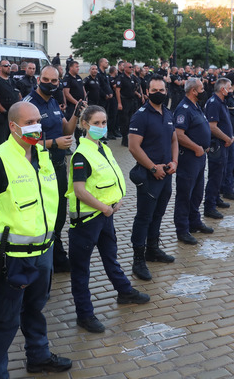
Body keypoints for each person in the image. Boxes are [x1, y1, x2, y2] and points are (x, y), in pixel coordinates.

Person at [0, 102, 73, 378]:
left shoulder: (42, 155)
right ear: (13, 126)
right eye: (29, 122)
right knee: (4, 320)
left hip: (44, 252)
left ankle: (39, 356)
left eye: (37, 121)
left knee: (35, 309)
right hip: (13, 258)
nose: (36, 127)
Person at [67, 105, 151, 333]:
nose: (102, 127)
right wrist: (104, 208)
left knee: (111, 257)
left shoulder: (102, 148)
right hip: (87, 220)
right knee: (81, 270)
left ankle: (124, 291)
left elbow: (110, 179)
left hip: (105, 215)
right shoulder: (81, 154)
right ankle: (84, 315)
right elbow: (80, 190)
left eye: (104, 123)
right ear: (84, 124)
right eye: (96, 123)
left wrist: (117, 200)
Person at [22, 65, 81, 273]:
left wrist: (76, 115)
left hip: (57, 166)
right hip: (38, 168)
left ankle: (55, 252)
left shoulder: (54, 101)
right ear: (39, 79)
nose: (50, 84)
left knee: (59, 213)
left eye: (54, 81)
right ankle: (50, 256)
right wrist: (54, 143)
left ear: (59, 82)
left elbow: (66, 129)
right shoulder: (28, 105)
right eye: (46, 80)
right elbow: (24, 140)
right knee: (45, 212)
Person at [127, 76, 178, 281]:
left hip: (166, 174)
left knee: (158, 214)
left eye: (162, 90)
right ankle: (138, 260)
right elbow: (133, 146)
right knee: (144, 217)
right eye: (155, 89)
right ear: (147, 92)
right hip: (149, 175)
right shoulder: (140, 116)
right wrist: (152, 167)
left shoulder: (167, 112)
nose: (159, 93)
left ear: (166, 92)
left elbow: (174, 139)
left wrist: (174, 162)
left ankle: (153, 250)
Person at [173, 78, 214, 245]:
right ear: (193, 91)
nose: (204, 91)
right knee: (185, 194)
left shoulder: (196, 106)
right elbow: (179, 134)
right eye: (202, 88)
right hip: (189, 158)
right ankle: (182, 229)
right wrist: (196, 147)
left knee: (197, 193)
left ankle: (194, 221)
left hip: (200, 157)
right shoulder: (183, 109)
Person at [203, 78, 234, 219]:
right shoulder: (214, 103)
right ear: (223, 89)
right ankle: (209, 206)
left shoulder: (222, 102)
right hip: (217, 145)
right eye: (230, 87)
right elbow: (212, 126)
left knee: (220, 173)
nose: (231, 90)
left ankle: (216, 198)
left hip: (224, 144)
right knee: (215, 176)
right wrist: (226, 138)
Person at [0, 59, 22, 150]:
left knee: (13, 142)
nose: (8, 67)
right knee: (0, 144)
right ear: (0, 68)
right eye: (6, 65)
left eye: (9, 65)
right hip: (2, 118)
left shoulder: (12, 81)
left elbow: (19, 95)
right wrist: (4, 111)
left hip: (13, 118)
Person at [115, 62, 139, 146]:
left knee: (131, 120)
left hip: (132, 101)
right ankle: (124, 139)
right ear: (125, 68)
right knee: (124, 121)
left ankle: (130, 138)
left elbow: (135, 88)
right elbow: (117, 90)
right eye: (130, 67)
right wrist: (119, 103)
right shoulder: (120, 78)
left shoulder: (132, 78)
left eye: (132, 67)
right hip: (124, 101)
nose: (131, 68)